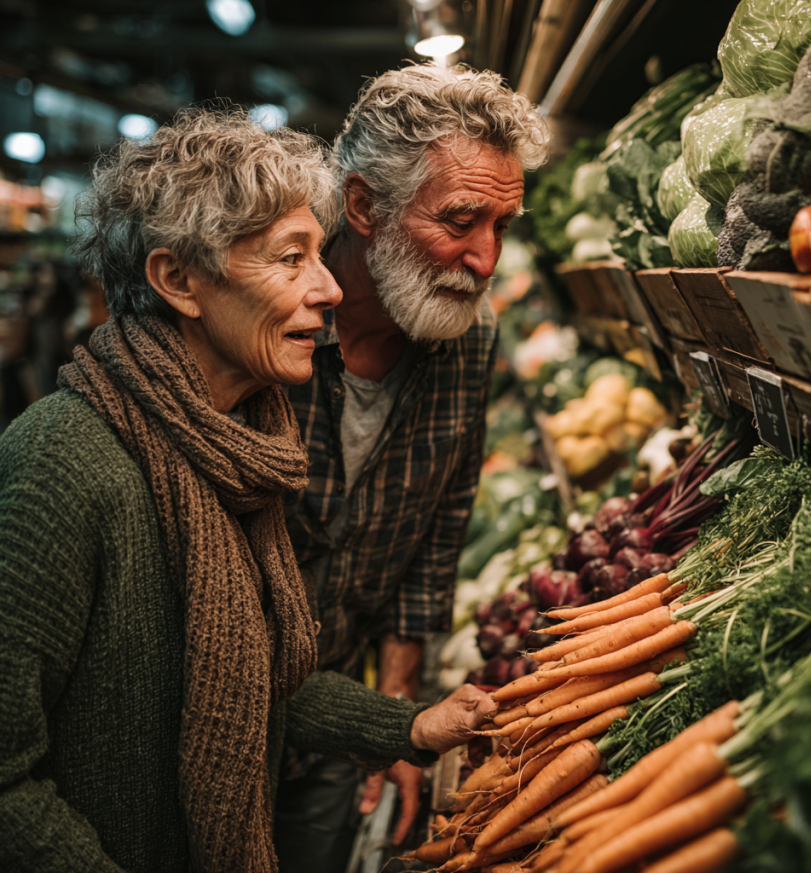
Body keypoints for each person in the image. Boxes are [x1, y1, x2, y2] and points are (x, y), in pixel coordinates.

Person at [0, 107, 494, 873]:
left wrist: (411, 726)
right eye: (290, 258)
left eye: (318, 254)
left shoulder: (235, 447)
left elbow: (247, 680)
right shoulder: (61, 464)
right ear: (177, 280)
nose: (328, 287)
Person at [278, 64, 550, 870]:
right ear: (362, 206)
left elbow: (436, 534)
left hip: (341, 719)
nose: (485, 259)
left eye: (502, 224)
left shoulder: (469, 336)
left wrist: (395, 713)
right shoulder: (269, 320)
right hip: (212, 708)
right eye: (461, 219)